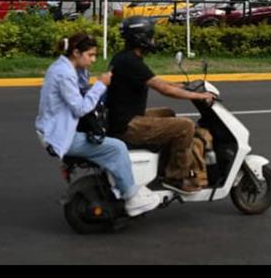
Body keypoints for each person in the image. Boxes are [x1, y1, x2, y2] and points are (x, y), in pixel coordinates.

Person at [35, 32, 160, 217]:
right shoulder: (64, 74)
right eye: (90, 55)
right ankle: (132, 197)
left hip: (57, 130)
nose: (93, 60)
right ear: (76, 53)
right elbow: (80, 108)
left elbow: (82, 90)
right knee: (117, 147)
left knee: (108, 139)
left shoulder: (66, 67)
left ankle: (122, 185)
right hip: (61, 136)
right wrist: (101, 85)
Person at [105, 17, 216, 194]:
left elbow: (156, 81)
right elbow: (164, 89)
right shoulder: (131, 62)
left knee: (168, 113)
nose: (153, 40)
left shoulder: (126, 58)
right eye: (150, 36)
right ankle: (176, 177)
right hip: (128, 125)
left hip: (121, 117)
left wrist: (182, 86)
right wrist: (198, 95)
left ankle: (164, 164)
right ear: (140, 38)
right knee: (185, 126)